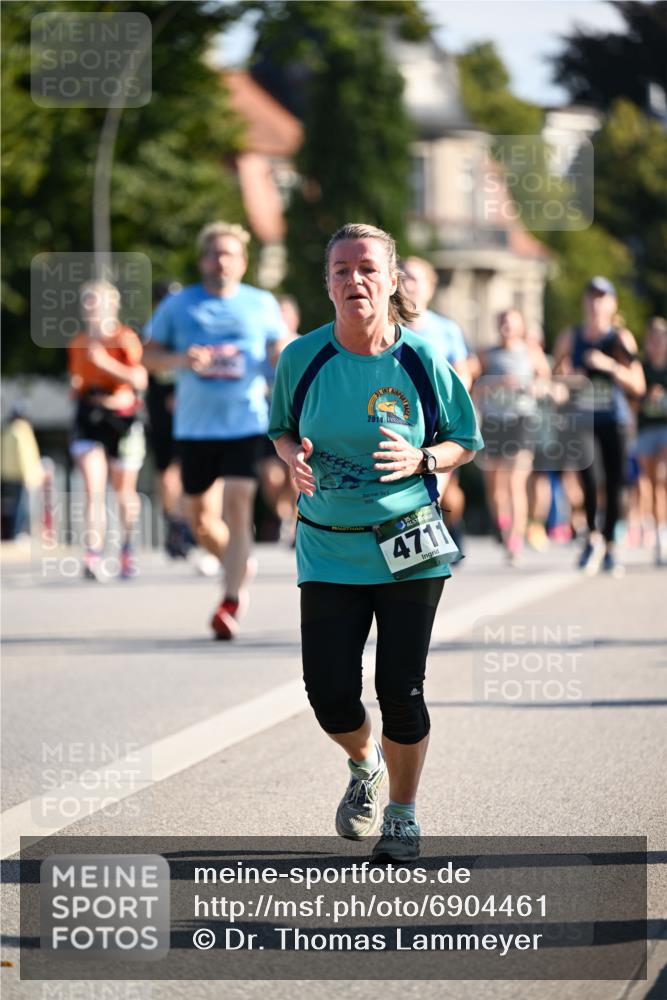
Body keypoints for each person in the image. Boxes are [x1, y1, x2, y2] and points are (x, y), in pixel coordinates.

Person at [269, 223, 483, 861]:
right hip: (328, 541)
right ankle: (364, 766)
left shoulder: (420, 360)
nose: (354, 280)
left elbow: (464, 441)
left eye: (367, 269)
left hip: (409, 537)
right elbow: (280, 427)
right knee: (328, 690)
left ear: (392, 281)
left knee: (401, 686)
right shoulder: (300, 359)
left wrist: (424, 459)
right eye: (341, 269)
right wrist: (292, 458)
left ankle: (403, 812)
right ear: (327, 282)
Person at [143, 221, 289, 639]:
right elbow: (147, 357)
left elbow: (278, 351)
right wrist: (181, 359)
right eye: (214, 253)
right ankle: (238, 562)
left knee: (239, 503)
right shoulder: (180, 305)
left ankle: (230, 601)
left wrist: (283, 357)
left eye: (230, 254)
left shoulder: (261, 303)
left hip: (246, 421)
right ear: (203, 259)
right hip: (194, 427)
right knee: (201, 520)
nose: (221, 260)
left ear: (243, 262)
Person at [553, 277, 645, 577]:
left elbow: (638, 384)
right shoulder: (572, 337)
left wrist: (610, 366)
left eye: (602, 297)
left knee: (616, 483)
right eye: (591, 297)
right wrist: (567, 381)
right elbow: (555, 376)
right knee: (589, 479)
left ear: (612, 303)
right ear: (585, 302)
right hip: (582, 418)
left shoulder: (620, 338)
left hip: (615, 419)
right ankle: (592, 538)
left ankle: (610, 545)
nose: (595, 303)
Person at [68, 280, 148, 580]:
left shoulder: (124, 338)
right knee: (93, 486)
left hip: (122, 420)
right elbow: (79, 378)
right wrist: (76, 389)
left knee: (124, 491)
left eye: (95, 301)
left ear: (111, 306)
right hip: (90, 418)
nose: (89, 307)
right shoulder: (78, 342)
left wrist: (104, 363)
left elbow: (139, 381)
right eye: (85, 301)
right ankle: (93, 553)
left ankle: (127, 548)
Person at [477, 308, 548, 566]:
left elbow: (545, 382)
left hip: (521, 420)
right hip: (494, 422)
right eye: (503, 321)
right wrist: (496, 383)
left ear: (520, 326)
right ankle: (504, 528)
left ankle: (515, 541)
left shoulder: (530, 352)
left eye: (512, 322)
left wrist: (533, 387)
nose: (507, 326)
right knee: (496, 489)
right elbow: (473, 386)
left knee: (516, 483)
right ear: (498, 325)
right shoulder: (487, 355)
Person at [635, 317, 667, 564]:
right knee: (646, 482)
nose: (657, 343)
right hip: (645, 430)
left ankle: (662, 533)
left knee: (662, 480)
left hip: (665, 429)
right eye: (653, 339)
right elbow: (632, 400)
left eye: (661, 338)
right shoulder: (642, 367)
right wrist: (645, 397)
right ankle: (652, 530)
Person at [0, 401, 45, 540]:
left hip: (6, 475)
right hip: (21, 475)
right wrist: (30, 476)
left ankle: (9, 534)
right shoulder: (23, 430)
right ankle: (16, 533)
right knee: (21, 507)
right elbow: (25, 454)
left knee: (8, 507)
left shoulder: (7, 430)